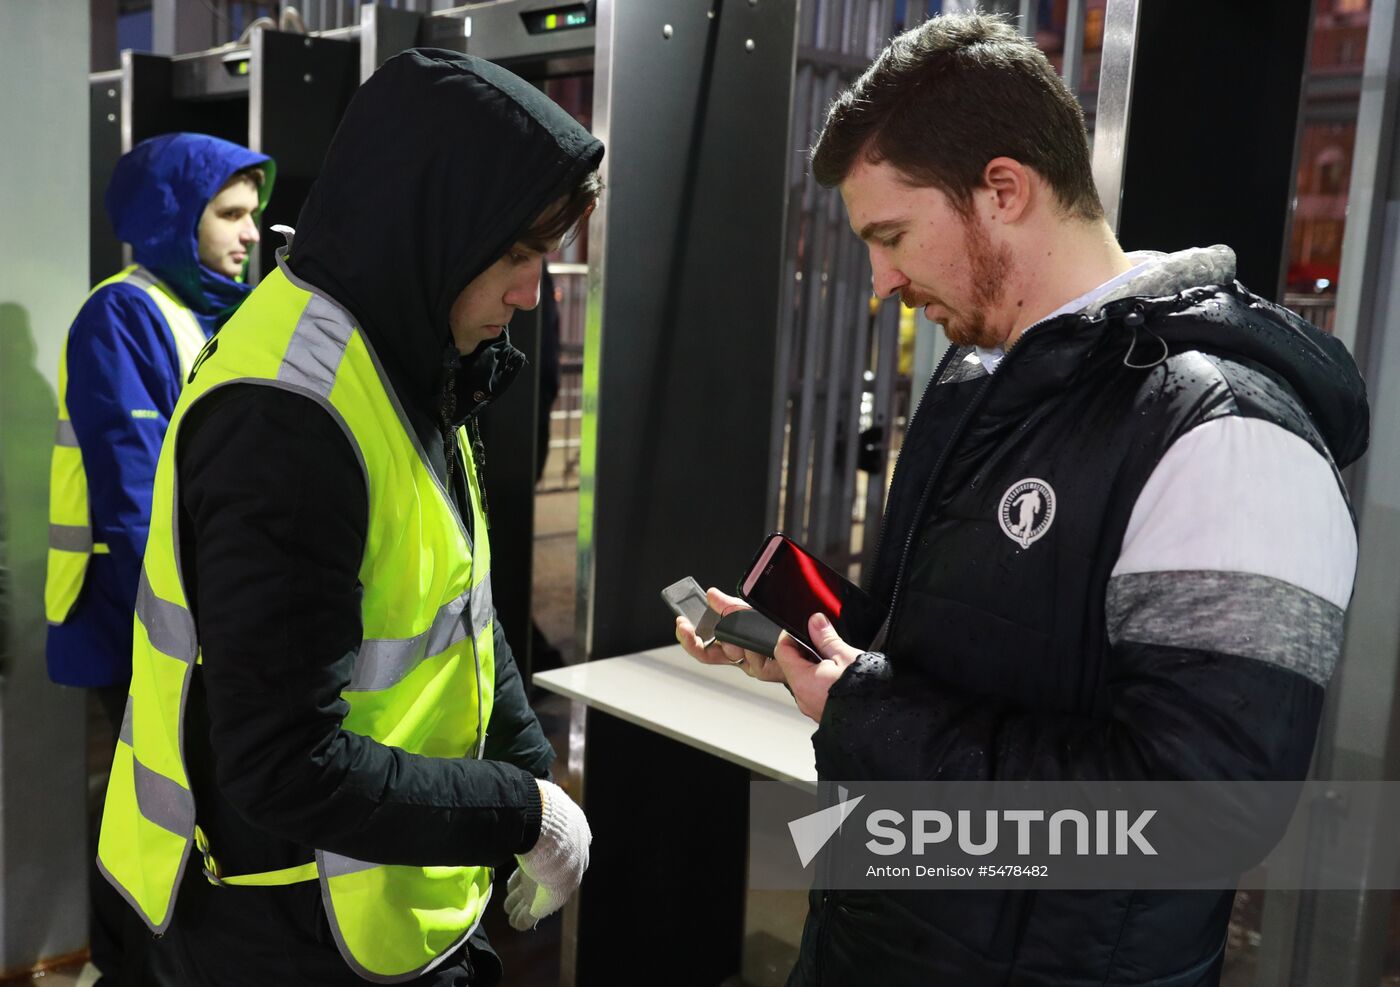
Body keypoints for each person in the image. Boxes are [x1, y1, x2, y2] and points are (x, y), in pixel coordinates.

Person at [677, 13, 1368, 986]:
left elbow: (1198, 818)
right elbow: (949, 654)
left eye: (891, 236)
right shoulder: (974, 381)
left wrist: (867, 710)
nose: (877, 282)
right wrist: (817, 651)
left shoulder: (1225, 433)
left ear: (1001, 190)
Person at [96, 50, 603, 986]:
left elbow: (462, 611)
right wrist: (519, 810)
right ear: (432, 223)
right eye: (518, 253)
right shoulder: (291, 417)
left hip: (377, 899)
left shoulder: (401, 354)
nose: (534, 294)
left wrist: (532, 771)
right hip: (285, 926)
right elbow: (287, 762)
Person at [44, 131, 271, 986]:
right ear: (176, 216)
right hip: (143, 614)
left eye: (254, 214)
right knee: (162, 804)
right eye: (231, 213)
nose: (249, 234)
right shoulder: (123, 312)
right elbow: (136, 495)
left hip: (189, 613)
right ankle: (128, 963)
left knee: (173, 799)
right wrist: (210, 619)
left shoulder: (213, 309)